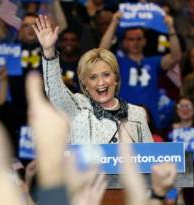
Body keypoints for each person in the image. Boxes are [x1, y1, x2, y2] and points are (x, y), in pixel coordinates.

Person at [32, 15, 153, 144]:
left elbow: (150, 158)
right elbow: (56, 92)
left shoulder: (137, 114)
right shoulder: (78, 107)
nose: (101, 82)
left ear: (116, 78)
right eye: (93, 77)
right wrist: (49, 51)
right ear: (85, 84)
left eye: (106, 74)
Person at [99, 12, 182, 129]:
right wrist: (113, 23)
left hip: (151, 121)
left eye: (139, 39)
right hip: (124, 120)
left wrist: (171, 27)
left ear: (145, 41)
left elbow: (176, 56)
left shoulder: (154, 61)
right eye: (131, 39)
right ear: (125, 43)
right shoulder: (119, 62)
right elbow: (101, 54)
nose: (135, 43)